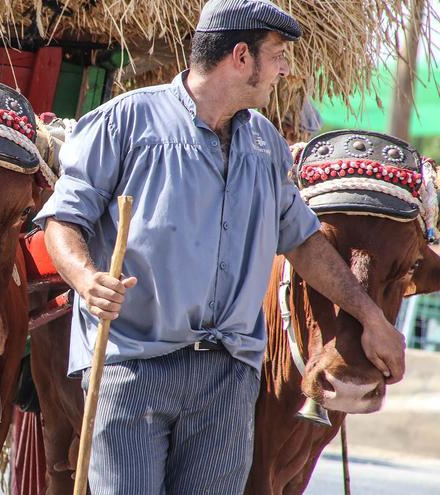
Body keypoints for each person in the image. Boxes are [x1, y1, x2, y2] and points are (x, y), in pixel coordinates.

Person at [32, 0, 406, 493]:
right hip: (132, 368)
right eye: (277, 55)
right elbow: (63, 218)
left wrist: (371, 317)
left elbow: (304, 243)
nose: (285, 69)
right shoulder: (126, 122)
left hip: (227, 380)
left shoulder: (266, 145)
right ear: (240, 57)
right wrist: (85, 278)